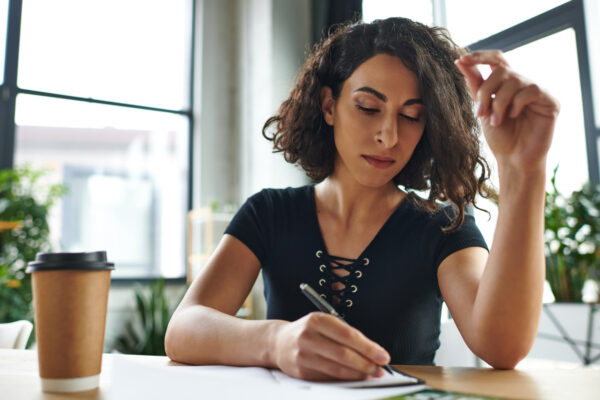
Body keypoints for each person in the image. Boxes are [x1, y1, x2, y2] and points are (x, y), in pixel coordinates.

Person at [165, 17, 559, 381]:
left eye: (411, 116)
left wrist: (524, 169)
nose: (388, 136)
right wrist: (274, 342)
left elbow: (502, 348)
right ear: (329, 105)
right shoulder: (269, 212)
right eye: (368, 107)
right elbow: (184, 328)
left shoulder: (442, 227)